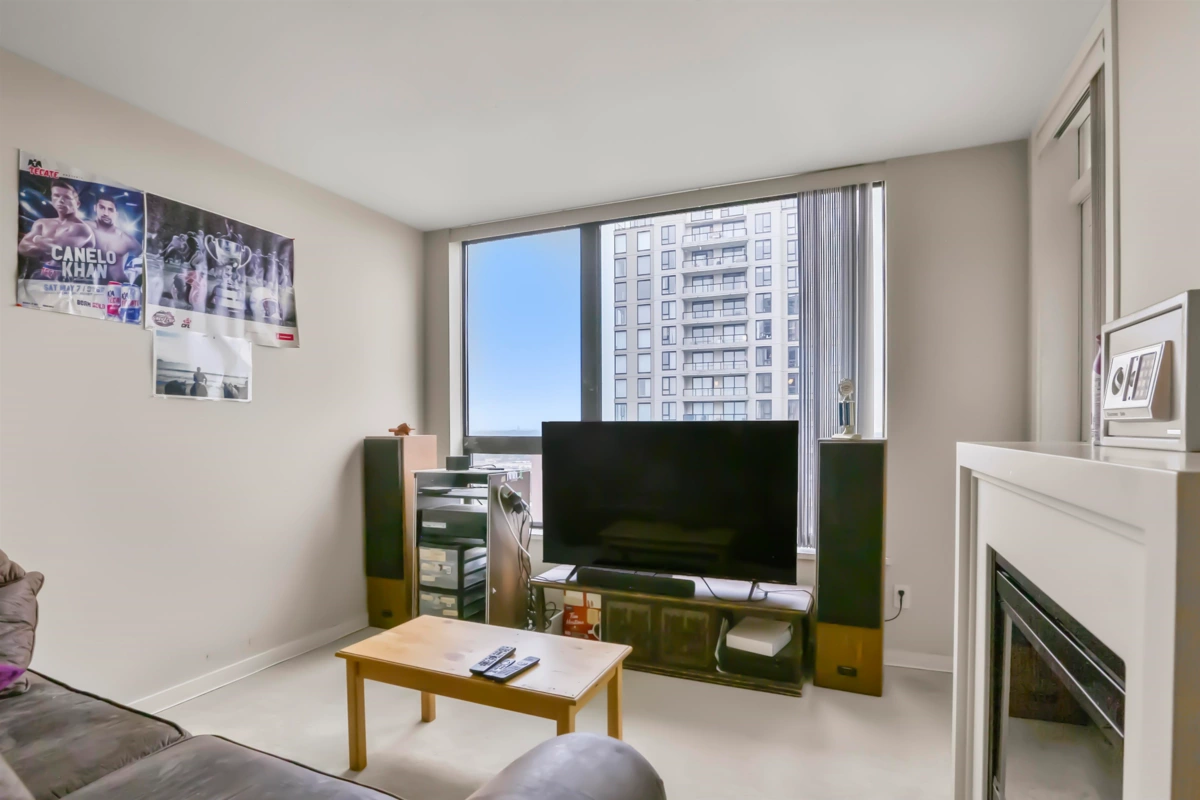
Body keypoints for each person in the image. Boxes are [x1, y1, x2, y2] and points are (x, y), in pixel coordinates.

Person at [17, 180, 95, 280]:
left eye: (67, 197)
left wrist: (37, 239)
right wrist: (46, 247)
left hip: (69, 285)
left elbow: (56, 249)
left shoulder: (82, 229)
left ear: (77, 203)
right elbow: (23, 247)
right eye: (56, 196)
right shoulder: (42, 223)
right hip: (41, 279)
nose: (61, 200)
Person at [88, 196, 142, 283]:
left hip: (119, 287)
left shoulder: (125, 239)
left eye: (110, 209)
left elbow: (142, 255)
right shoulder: (85, 229)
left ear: (116, 214)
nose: (106, 213)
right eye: (102, 207)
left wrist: (133, 272)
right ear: (95, 208)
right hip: (89, 287)